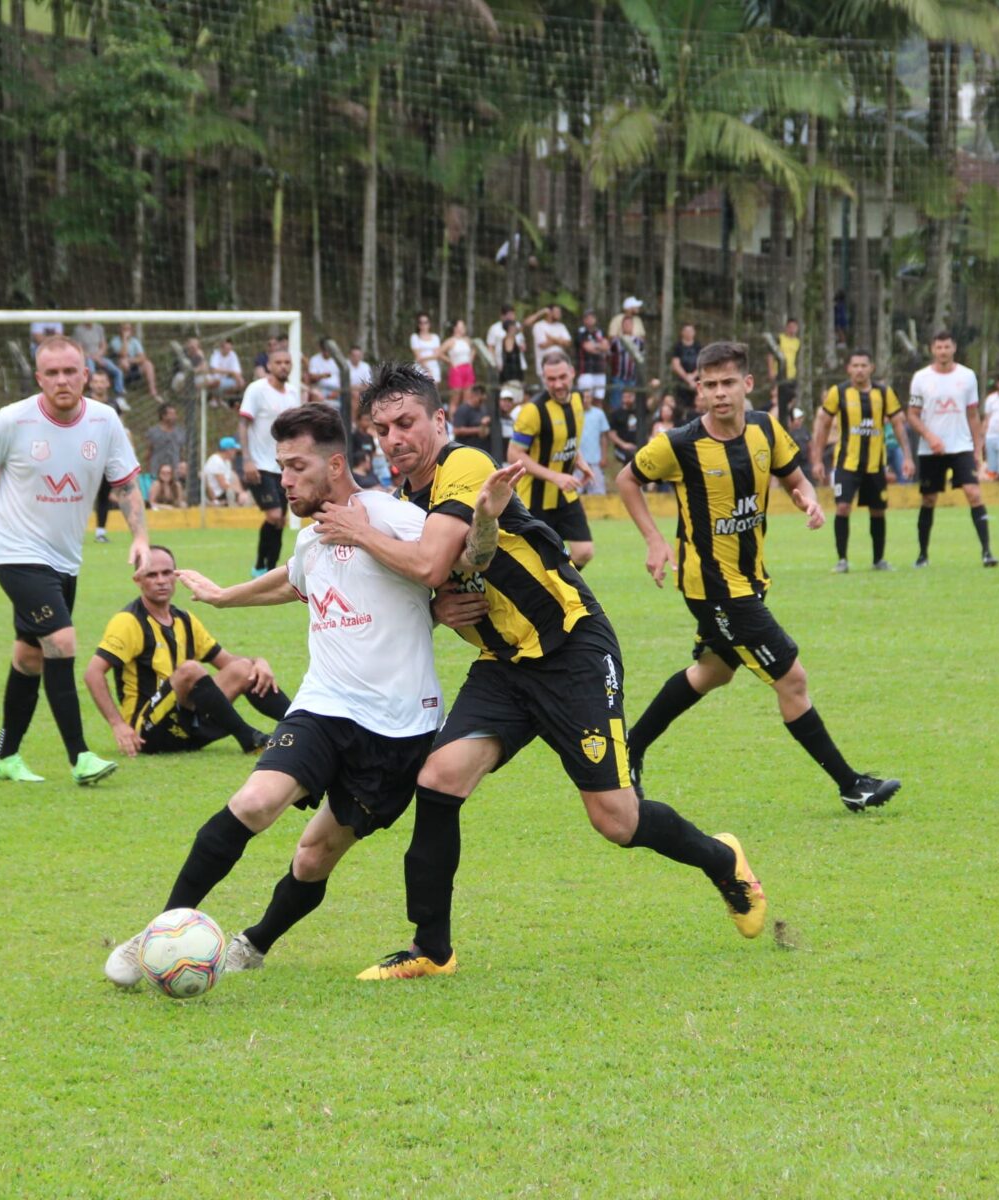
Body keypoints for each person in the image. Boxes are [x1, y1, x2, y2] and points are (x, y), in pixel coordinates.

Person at [335, 362, 767, 980]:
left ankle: (721, 861)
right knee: (438, 780)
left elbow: (434, 562)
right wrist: (435, 606)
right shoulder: (404, 504)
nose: (394, 438)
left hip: (572, 651)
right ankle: (432, 949)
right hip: (505, 665)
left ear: (438, 420)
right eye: (381, 429)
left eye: (405, 422)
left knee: (615, 820)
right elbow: (427, 585)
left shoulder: (464, 466)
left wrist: (372, 539)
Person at [103, 403, 451, 984]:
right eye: (280, 467)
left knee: (315, 855)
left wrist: (445, 601)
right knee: (254, 802)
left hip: (397, 729)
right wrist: (222, 597)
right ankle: (160, 933)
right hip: (322, 707)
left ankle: (256, 942)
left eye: (295, 467)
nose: (282, 480)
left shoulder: (395, 518)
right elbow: (293, 579)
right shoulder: (310, 538)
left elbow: (445, 562)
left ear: (335, 464)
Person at [616, 340, 900, 813]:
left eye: (728, 383)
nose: (719, 393)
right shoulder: (680, 444)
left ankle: (628, 749)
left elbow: (795, 477)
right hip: (715, 590)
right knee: (792, 679)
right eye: (710, 386)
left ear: (748, 384)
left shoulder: (766, 429)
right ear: (700, 390)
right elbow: (628, 479)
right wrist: (653, 539)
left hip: (751, 580)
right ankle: (851, 783)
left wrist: (807, 499)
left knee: (712, 672)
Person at [0, 334, 148, 785]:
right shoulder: (12, 421)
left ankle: (5, 757)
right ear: (38, 378)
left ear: (86, 375)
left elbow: (125, 485)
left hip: (65, 559)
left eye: (71, 371)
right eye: (52, 373)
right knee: (61, 641)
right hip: (15, 553)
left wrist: (140, 538)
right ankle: (80, 757)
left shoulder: (106, 421)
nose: (62, 380)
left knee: (29, 658)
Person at [85, 544, 288, 760]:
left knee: (244, 669)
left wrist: (259, 661)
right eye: (152, 575)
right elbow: (92, 673)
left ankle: (304, 724)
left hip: (188, 726)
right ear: (138, 579)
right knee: (190, 669)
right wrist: (118, 725)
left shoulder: (185, 619)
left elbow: (230, 664)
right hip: (147, 733)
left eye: (166, 573)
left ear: (176, 575)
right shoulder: (128, 621)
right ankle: (249, 738)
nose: (161, 580)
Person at [809, 349, 915, 571]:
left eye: (863, 365)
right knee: (843, 508)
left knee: (877, 510)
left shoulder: (884, 393)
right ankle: (842, 560)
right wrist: (817, 459)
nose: (859, 370)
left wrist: (907, 456)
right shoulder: (838, 393)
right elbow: (824, 425)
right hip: (847, 463)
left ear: (871, 368)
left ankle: (878, 560)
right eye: (855, 365)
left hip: (875, 465)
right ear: (848, 368)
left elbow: (898, 424)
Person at [907, 330, 997, 567]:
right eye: (939, 347)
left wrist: (978, 450)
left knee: (973, 493)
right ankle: (923, 554)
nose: (943, 352)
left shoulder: (967, 376)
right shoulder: (921, 378)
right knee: (928, 499)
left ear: (954, 348)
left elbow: (972, 414)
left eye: (947, 347)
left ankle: (987, 552)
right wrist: (929, 436)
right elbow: (913, 415)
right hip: (930, 449)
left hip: (960, 446)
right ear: (932, 350)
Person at [508, 351, 594, 569]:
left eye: (563, 377)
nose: (558, 384)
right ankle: (556, 593)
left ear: (572, 373)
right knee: (539, 562)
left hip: (565, 494)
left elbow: (567, 439)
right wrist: (555, 476)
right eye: (551, 379)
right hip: (535, 499)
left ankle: (563, 588)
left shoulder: (577, 400)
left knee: (583, 551)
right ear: (543, 379)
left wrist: (579, 460)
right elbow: (514, 454)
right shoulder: (532, 411)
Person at [239, 346, 299, 575]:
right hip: (259, 465)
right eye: (279, 362)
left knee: (280, 519)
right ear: (269, 366)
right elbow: (243, 423)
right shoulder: (256, 390)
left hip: (282, 466)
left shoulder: (293, 393)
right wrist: (246, 460)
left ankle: (270, 568)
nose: (283, 366)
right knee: (273, 515)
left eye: (287, 362)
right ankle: (259, 566)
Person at [608, 311, 644, 415]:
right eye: (625, 324)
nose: (627, 326)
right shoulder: (616, 341)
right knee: (616, 404)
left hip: (632, 378)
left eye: (629, 324)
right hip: (618, 377)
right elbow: (610, 355)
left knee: (631, 405)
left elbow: (642, 358)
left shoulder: (639, 341)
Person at [578, 389, 611, 496]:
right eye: (583, 397)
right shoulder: (573, 413)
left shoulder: (599, 414)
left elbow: (604, 437)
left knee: (598, 493)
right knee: (574, 494)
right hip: (577, 462)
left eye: (588, 397)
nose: (585, 400)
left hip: (595, 461)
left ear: (591, 398)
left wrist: (604, 457)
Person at [573, 309, 610, 402]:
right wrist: (600, 347)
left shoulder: (600, 332)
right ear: (584, 320)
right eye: (587, 318)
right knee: (585, 398)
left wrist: (596, 347)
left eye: (592, 317)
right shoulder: (580, 332)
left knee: (599, 399)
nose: (590, 320)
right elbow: (588, 348)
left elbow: (606, 347)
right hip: (585, 370)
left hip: (600, 370)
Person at [113, 323, 157, 399]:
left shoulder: (135, 341)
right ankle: (122, 389)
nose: (127, 331)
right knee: (124, 362)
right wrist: (125, 340)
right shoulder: (115, 341)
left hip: (134, 364)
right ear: (120, 330)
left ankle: (153, 390)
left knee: (148, 364)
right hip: (121, 366)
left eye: (128, 329)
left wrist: (130, 360)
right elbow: (123, 354)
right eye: (124, 329)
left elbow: (143, 357)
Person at [486, 304, 526, 386]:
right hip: (502, 364)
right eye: (509, 315)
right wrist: (494, 363)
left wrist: (523, 346)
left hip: (518, 363)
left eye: (513, 315)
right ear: (502, 316)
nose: (512, 317)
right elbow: (490, 347)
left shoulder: (517, 326)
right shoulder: (494, 328)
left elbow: (522, 341)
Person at [441, 318, 475, 405]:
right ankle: (453, 418)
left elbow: (474, 349)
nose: (463, 328)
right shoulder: (450, 341)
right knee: (455, 398)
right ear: (455, 328)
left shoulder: (467, 340)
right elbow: (439, 353)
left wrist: (471, 361)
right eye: (461, 326)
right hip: (457, 369)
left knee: (467, 398)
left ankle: (465, 417)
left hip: (467, 369)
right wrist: (450, 362)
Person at [773, 317, 802, 414]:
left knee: (792, 398)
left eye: (794, 327)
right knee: (778, 398)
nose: (792, 329)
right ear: (786, 327)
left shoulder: (797, 342)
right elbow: (770, 355)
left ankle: (788, 417)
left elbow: (797, 359)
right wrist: (771, 371)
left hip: (791, 374)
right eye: (790, 327)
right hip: (780, 373)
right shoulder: (780, 338)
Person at [669, 323, 701, 412]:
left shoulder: (698, 346)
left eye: (690, 331)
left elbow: (701, 364)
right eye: (686, 331)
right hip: (680, 383)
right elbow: (675, 365)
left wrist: (693, 377)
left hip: (696, 382)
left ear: (694, 333)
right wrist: (688, 379)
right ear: (682, 332)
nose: (688, 333)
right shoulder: (677, 347)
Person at [203, 436, 242, 506]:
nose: (235, 452)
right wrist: (239, 494)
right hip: (219, 496)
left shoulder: (227, 462)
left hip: (227, 492)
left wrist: (240, 492)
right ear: (228, 450)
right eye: (234, 450)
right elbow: (223, 485)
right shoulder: (215, 461)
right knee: (243, 497)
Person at [452, 383, 491, 453]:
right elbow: (456, 430)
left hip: (481, 450)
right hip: (466, 451)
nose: (482, 400)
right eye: (480, 398)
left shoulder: (483, 409)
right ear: (473, 395)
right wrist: (477, 430)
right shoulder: (463, 409)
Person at [207, 338, 245, 402]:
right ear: (221, 347)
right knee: (216, 382)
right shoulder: (215, 354)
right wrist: (230, 372)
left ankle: (221, 399)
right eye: (226, 348)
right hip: (213, 379)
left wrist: (239, 379)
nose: (228, 350)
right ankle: (214, 398)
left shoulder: (233, 355)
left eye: (229, 349)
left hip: (225, 380)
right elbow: (213, 370)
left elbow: (237, 372)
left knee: (241, 383)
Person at [307, 342, 342, 408]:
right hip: (320, 388)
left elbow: (341, 380)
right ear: (321, 350)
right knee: (316, 394)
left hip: (336, 390)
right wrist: (322, 376)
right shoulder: (315, 359)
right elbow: (311, 377)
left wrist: (337, 391)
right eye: (325, 350)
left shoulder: (337, 360)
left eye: (329, 350)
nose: (327, 352)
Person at [409, 313, 442, 383]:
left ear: (429, 324)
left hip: (434, 367)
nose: (423, 325)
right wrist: (427, 370)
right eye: (421, 323)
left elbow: (437, 355)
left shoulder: (435, 337)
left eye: (426, 322)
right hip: (420, 368)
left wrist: (424, 355)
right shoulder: (415, 337)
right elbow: (417, 355)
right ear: (418, 324)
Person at [345, 346, 373, 419]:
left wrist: (355, 387)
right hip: (347, 392)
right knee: (355, 394)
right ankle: (353, 422)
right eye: (354, 355)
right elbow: (344, 385)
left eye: (358, 355)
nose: (356, 358)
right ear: (349, 356)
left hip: (362, 392)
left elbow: (368, 384)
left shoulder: (365, 366)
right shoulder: (345, 365)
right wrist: (359, 386)